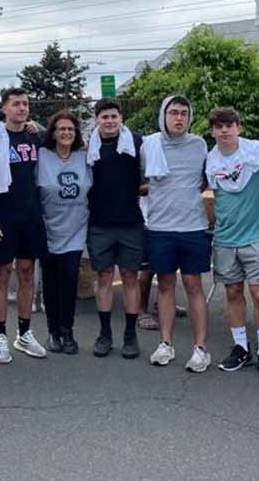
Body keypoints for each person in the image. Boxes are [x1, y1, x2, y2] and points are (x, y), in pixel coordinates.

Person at [204, 107, 259, 380]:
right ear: (212, 131)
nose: (224, 130)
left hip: (257, 236)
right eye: (218, 126)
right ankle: (240, 347)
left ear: (238, 126)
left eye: (229, 125)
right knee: (233, 293)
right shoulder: (210, 159)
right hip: (225, 238)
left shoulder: (258, 151)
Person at [0, 87, 48, 363]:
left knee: (27, 272)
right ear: (4, 108)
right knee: (2, 273)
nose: (22, 108)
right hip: (3, 215)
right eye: (16, 104)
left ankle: (25, 333)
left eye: (25, 104)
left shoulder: (34, 136)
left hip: (30, 215)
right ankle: (0, 336)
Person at [142, 95, 211, 372]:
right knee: (166, 284)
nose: (179, 118)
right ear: (164, 115)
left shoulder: (200, 145)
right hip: (159, 226)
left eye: (184, 112)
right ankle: (165, 343)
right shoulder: (149, 144)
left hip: (193, 226)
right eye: (173, 112)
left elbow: (207, 179)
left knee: (194, 285)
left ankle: (200, 348)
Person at [84, 99, 145, 359]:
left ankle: (130, 335)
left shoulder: (138, 143)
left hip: (131, 222)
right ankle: (105, 333)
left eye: (113, 116)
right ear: (96, 119)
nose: (109, 121)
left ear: (121, 118)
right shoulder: (88, 147)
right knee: (105, 278)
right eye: (104, 117)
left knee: (130, 278)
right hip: (99, 223)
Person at [37, 111, 91, 355]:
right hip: (47, 227)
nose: (66, 133)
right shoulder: (42, 156)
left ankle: (67, 330)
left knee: (69, 278)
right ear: (53, 133)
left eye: (70, 129)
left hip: (75, 228)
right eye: (61, 129)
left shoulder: (85, 156)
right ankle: (53, 331)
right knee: (50, 281)